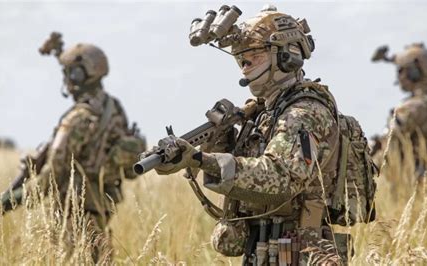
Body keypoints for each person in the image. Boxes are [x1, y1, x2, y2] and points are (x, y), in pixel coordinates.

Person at [148, 5, 376, 265]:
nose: (244, 65)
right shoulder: (264, 114)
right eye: (240, 58)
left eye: (253, 55)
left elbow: (280, 178)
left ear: (286, 56)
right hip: (267, 252)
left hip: (302, 255)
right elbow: (246, 175)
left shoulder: (304, 113)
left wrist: (201, 160)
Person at [0, 32, 146, 262]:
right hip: (101, 211)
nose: (66, 79)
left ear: (79, 75)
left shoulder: (77, 119)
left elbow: (48, 180)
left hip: (74, 217)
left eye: (69, 73)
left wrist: (3, 202)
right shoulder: (113, 108)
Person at [371, 43, 427, 177]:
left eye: (401, 70)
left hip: (415, 186)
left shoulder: (410, 108)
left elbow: (386, 146)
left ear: (413, 73)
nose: (399, 76)